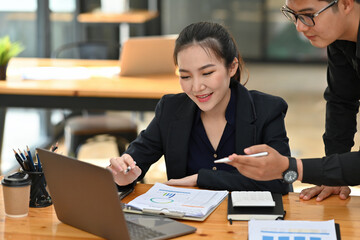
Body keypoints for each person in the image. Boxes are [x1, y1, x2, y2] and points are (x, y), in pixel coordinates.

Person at [107, 21, 291, 193]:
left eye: (207, 73)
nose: (196, 87)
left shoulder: (267, 110)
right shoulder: (170, 110)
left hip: (245, 222)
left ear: (232, 67)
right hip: (188, 224)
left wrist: (201, 179)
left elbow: (280, 180)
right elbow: (134, 161)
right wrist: (122, 176)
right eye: (185, 76)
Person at [225, 0, 360, 201]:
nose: (299, 27)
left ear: (346, 4)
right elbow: (341, 101)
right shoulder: (340, 38)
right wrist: (331, 176)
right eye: (294, 15)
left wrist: (292, 168)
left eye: (308, 15)